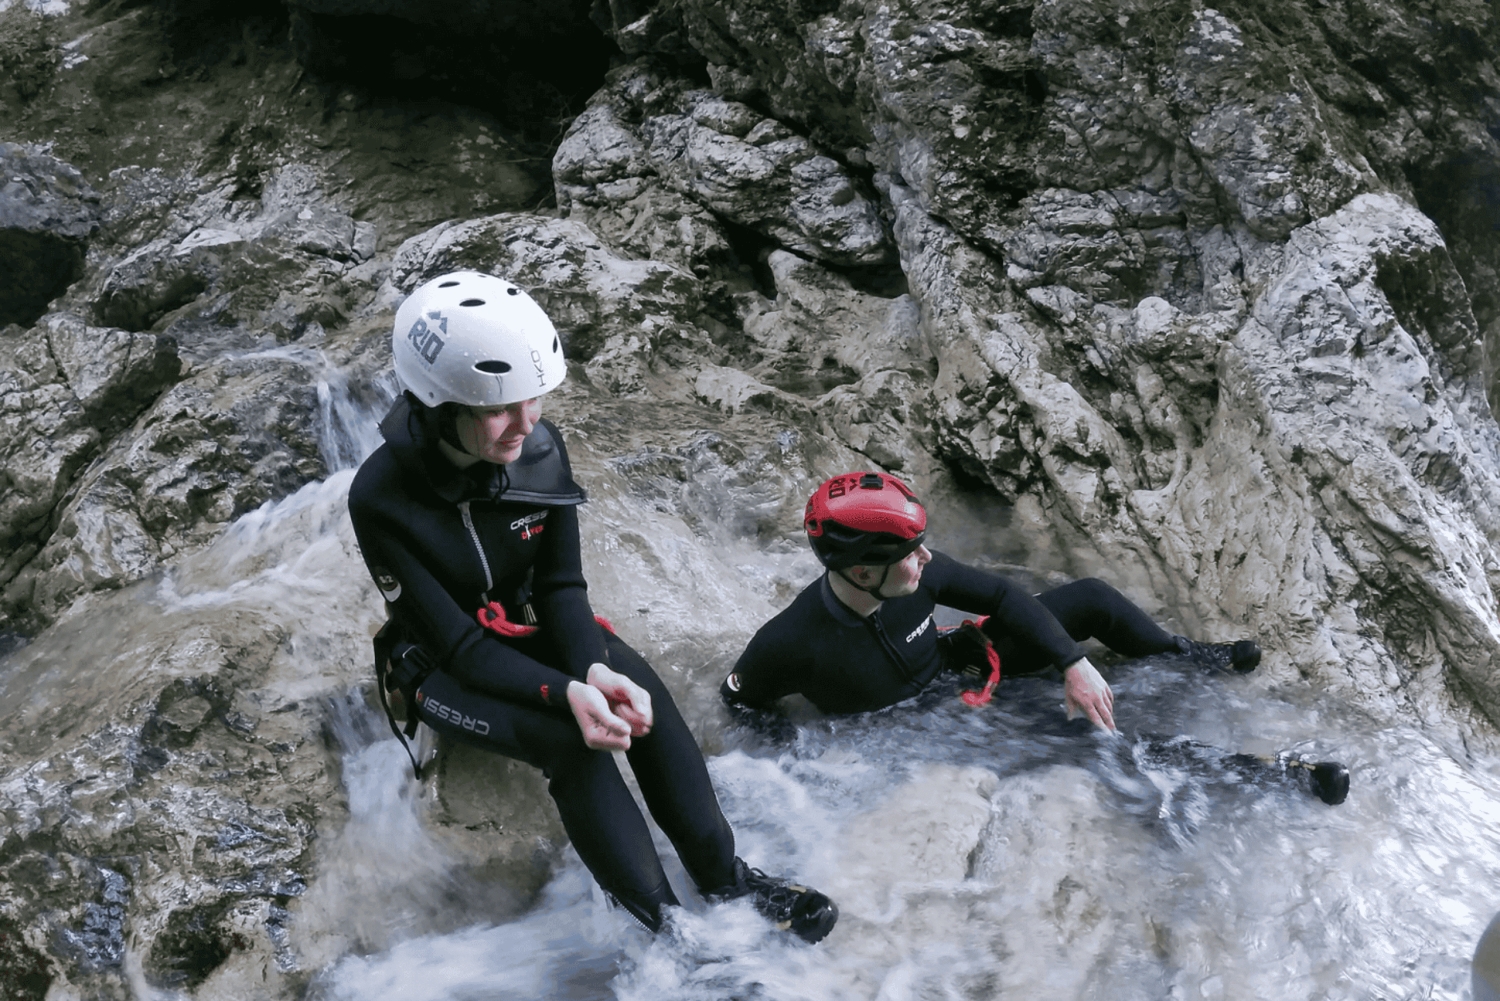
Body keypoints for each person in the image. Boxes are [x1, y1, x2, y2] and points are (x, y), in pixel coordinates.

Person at [348, 270, 839, 941]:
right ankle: (672, 935)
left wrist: (594, 670)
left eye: (533, 399)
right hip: (441, 664)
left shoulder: (539, 450)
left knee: (636, 691)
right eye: (499, 409)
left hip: (524, 630)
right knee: (568, 740)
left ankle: (727, 880)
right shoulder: (379, 496)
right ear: (438, 406)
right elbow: (458, 646)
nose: (526, 423)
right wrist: (564, 692)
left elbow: (559, 588)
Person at [722, 471, 1349, 805]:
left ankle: (1179, 655)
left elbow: (1000, 596)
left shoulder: (917, 575)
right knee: (1100, 739)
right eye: (910, 554)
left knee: (1092, 599)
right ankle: (1269, 776)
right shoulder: (789, 642)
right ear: (862, 572)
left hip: (957, 670)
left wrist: (1072, 662)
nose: (928, 560)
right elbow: (739, 703)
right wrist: (809, 756)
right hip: (917, 729)